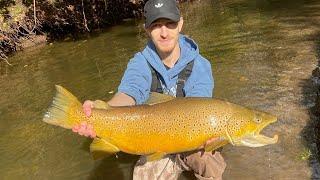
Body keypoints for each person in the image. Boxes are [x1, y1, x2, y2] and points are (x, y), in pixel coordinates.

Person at [72, 0, 226, 179]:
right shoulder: (140, 63)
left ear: (180, 24)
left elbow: (199, 108)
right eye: (156, 25)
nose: (164, 33)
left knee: (209, 162)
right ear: (147, 29)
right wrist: (100, 112)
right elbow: (129, 93)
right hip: (153, 140)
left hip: (191, 142)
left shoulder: (200, 65)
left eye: (170, 24)